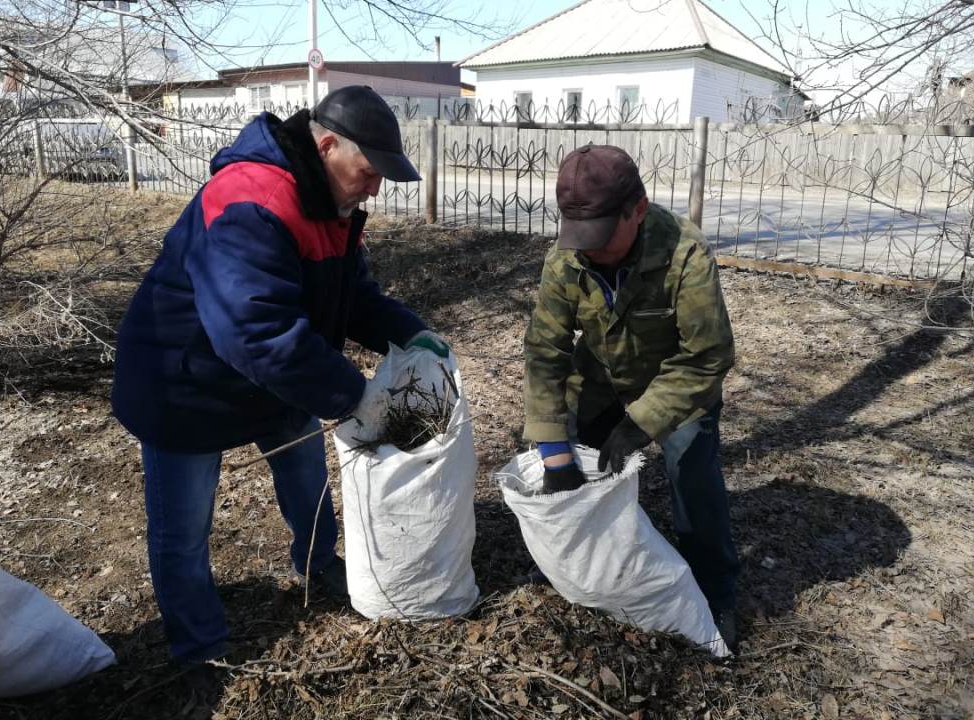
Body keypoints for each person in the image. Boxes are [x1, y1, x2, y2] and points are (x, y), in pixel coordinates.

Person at [111, 85, 448, 664]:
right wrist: (352, 395)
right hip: (183, 381)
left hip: (271, 377)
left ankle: (317, 567)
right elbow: (254, 332)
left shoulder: (329, 203)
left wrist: (409, 331)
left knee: (305, 479)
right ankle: (200, 650)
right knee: (182, 529)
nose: (376, 188)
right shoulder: (253, 199)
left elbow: (354, 294)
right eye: (368, 172)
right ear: (326, 145)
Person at [522, 144, 740, 649]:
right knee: (572, 469)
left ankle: (715, 589)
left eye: (600, 235)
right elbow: (545, 350)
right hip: (599, 378)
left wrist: (643, 421)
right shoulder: (567, 258)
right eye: (580, 236)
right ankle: (583, 565)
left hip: (676, 384)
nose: (589, 250)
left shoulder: (685, 252)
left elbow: (708, 355)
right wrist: (553, 447)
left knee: (693, 475)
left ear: (636, 209)